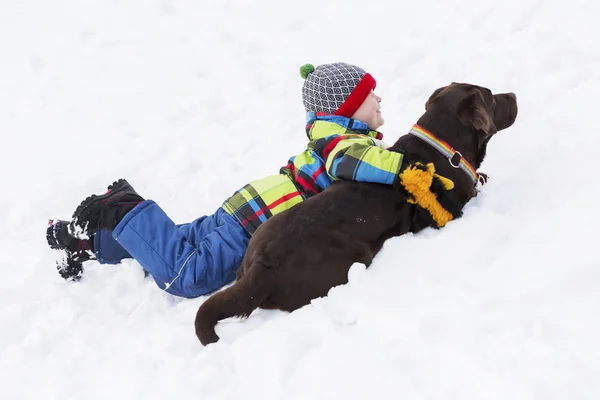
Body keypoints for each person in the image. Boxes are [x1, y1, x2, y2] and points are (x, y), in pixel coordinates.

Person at [46, 62, 437, 298]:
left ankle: (91, 240)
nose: (380, 101)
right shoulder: (341, 141)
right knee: (186, 275)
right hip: (257, 222)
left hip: (250, 205)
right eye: (371, 97)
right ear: (348, 107)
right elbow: (355, 161)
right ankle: (122, 208)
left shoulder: (330, 135)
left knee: (171, 244)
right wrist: (406, 169)